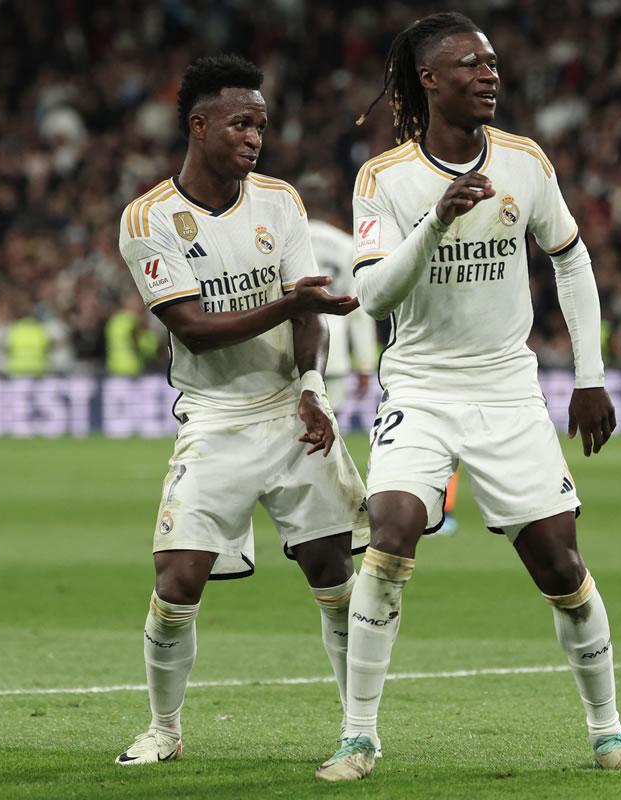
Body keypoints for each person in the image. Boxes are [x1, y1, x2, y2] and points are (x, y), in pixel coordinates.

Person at [315, 12, 621, 781]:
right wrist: (436, 221)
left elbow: (571, 260)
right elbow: (373, 294)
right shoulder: (386, 178)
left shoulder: (526, 163)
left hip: (509, 391)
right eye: (469, 65)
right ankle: (359, 735)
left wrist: (591, 375)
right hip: (424, 388)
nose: (489, 75)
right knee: (392, 530)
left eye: (493, 63)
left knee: (562, 566)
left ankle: (608, 733)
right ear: (429, 80)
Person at [114, 55, 370, 766]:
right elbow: (192, 326)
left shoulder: (280, 202)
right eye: (240, 122)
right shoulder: (149, 219)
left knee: (334, 571)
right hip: (218, 414)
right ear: (198, 126)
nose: (255, 136)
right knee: (178, 577)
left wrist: (315, 389)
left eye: (260, 123)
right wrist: (295, 302)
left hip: (291, 407)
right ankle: (164, 728)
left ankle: (359, 728)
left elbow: (308, 315)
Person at [299, 173, 379, 417]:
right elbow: (359, 309)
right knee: (329, 429)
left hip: (293, 347)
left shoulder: (285, 243)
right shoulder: (348, 245)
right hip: (334, 348)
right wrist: (365, 364)